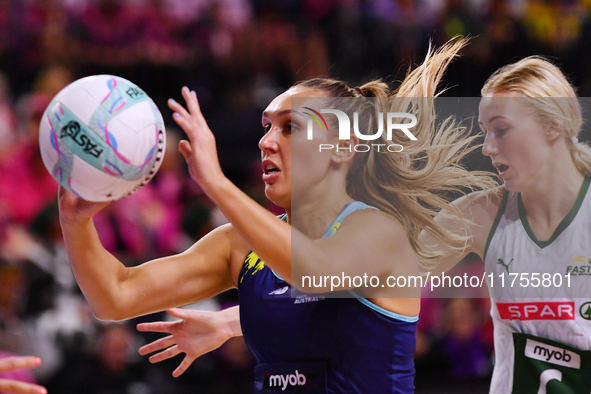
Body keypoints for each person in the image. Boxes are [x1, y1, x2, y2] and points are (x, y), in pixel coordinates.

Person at [59, 37, 494, 393]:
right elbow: (115, 296)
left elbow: (315, 271)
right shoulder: (239, 244)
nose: (268, 140)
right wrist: (75, 221)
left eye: (291, 127)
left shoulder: (379, 231)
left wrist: (217, 183)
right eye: (267, 125)